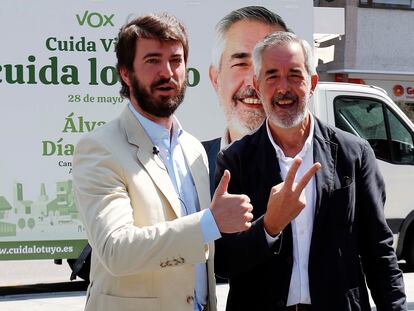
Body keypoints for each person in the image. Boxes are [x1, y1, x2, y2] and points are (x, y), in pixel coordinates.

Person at [72, 13, 254, 311]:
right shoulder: (100, 148)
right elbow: (116, 250)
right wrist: (210, 222)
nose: (167, 72)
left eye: (176, 60)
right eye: (153, 60)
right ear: (125, 73)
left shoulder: (193, 149)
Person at [214, 31, 407, 310]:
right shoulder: (235, 161)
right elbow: (223, 262)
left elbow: (379, 250)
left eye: (294, 75)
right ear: (257, 86)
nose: (283, 87)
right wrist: (269, 227)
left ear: (312, 82)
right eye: (271, 76)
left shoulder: (354, 154)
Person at [203, 6, 289, 196]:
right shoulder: (188, 166)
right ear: (215, 78)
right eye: (241, 64)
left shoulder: (319, 165)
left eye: (270, 66)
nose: (254, 81)